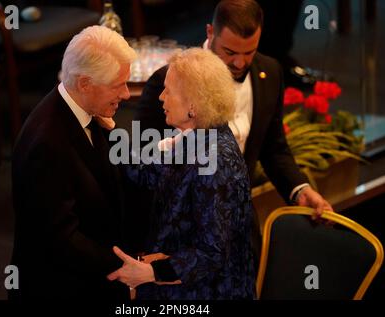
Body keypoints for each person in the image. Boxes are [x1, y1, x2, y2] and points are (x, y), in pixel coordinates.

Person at [134, 0, 332, 219]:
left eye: (250, 52)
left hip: (241, 221)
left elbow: (274, 148)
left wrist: (300, 189)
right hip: (181, 224)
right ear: (210, 32)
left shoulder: (270, 72)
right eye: (229, 52)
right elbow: (143, 158)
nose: (239, 63)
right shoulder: (167, 80)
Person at [108, 48, 256, 300]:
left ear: (193, 105)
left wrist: (151, 272)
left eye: (169, 91)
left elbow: (212, 252)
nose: (161, 98)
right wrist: (107, 130)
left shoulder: (215, 162)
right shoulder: (197, 137)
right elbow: (148, 173)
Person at [10, 26, 137, 299]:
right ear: (84, 84)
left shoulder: (83, 110)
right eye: (118, 85)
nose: (127, 95)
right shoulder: (46, 146)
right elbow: (61, 240)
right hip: (60, 288)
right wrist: (126, 267)